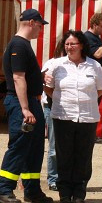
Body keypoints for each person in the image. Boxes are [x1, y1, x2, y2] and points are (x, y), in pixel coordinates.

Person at [0, 9, 53, 203]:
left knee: (34, 148)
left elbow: (25, 75)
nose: (41, 29)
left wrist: (39, 77)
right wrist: (25, 109)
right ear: (31, 22)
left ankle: (32, 190)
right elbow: (18, 77)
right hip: (22, 103)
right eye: (39, 25)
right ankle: (4, 189)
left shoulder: (23, 45)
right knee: (19, 146)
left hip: (30, 102)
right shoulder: (19, 45)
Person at [44, 30, 102, 203]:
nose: (69, 47)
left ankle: (79, 192)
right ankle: (64, 192)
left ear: (82, 46)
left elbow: (100, 89)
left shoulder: (94, 66)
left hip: (88, 117)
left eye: (73, 44)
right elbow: (48, 88)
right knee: (64, 155)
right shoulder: (56, 65)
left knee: (83, 156)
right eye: (67, 44)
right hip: (63, 115)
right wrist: (59, 97)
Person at [40, 38, 66, 191]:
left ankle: (65, 177)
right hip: (52, 106)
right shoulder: (51, 64)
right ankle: (53, 178)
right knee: (54, 146)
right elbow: (45, 86)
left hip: (69, 108)